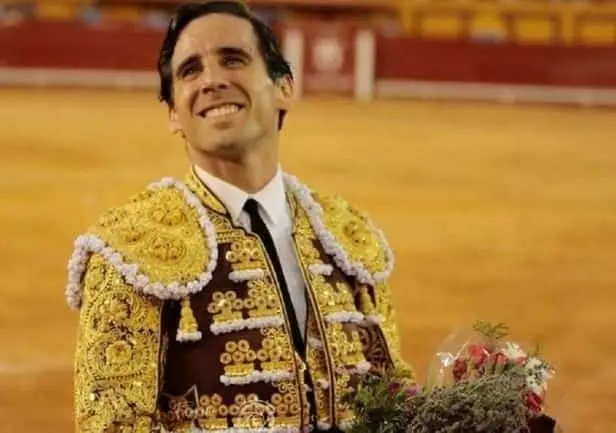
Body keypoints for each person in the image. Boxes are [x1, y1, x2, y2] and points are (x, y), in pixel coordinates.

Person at [66, 2, 554, 432]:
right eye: (189, 71)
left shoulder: (347, 238)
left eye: (233, 59)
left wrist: (459, 415)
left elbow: (385, 398)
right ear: (173, 113)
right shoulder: (129, 251)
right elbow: (112, 426)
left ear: (284, 87)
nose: (211, 80)